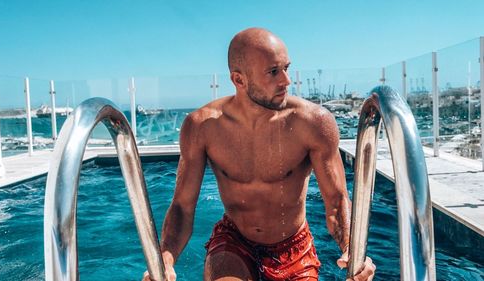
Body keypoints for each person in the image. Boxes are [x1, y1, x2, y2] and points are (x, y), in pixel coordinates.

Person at [144, 27, 375, 281]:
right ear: (239, 80)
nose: (286, 81)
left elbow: (336, 199)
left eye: (286, 68)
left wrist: (352, 248)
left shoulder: (313, 123)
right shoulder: (202, 127)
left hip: (293, 246)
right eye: (274, 72)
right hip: (234, 240)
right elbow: (182, 206)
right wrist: (165, 258)